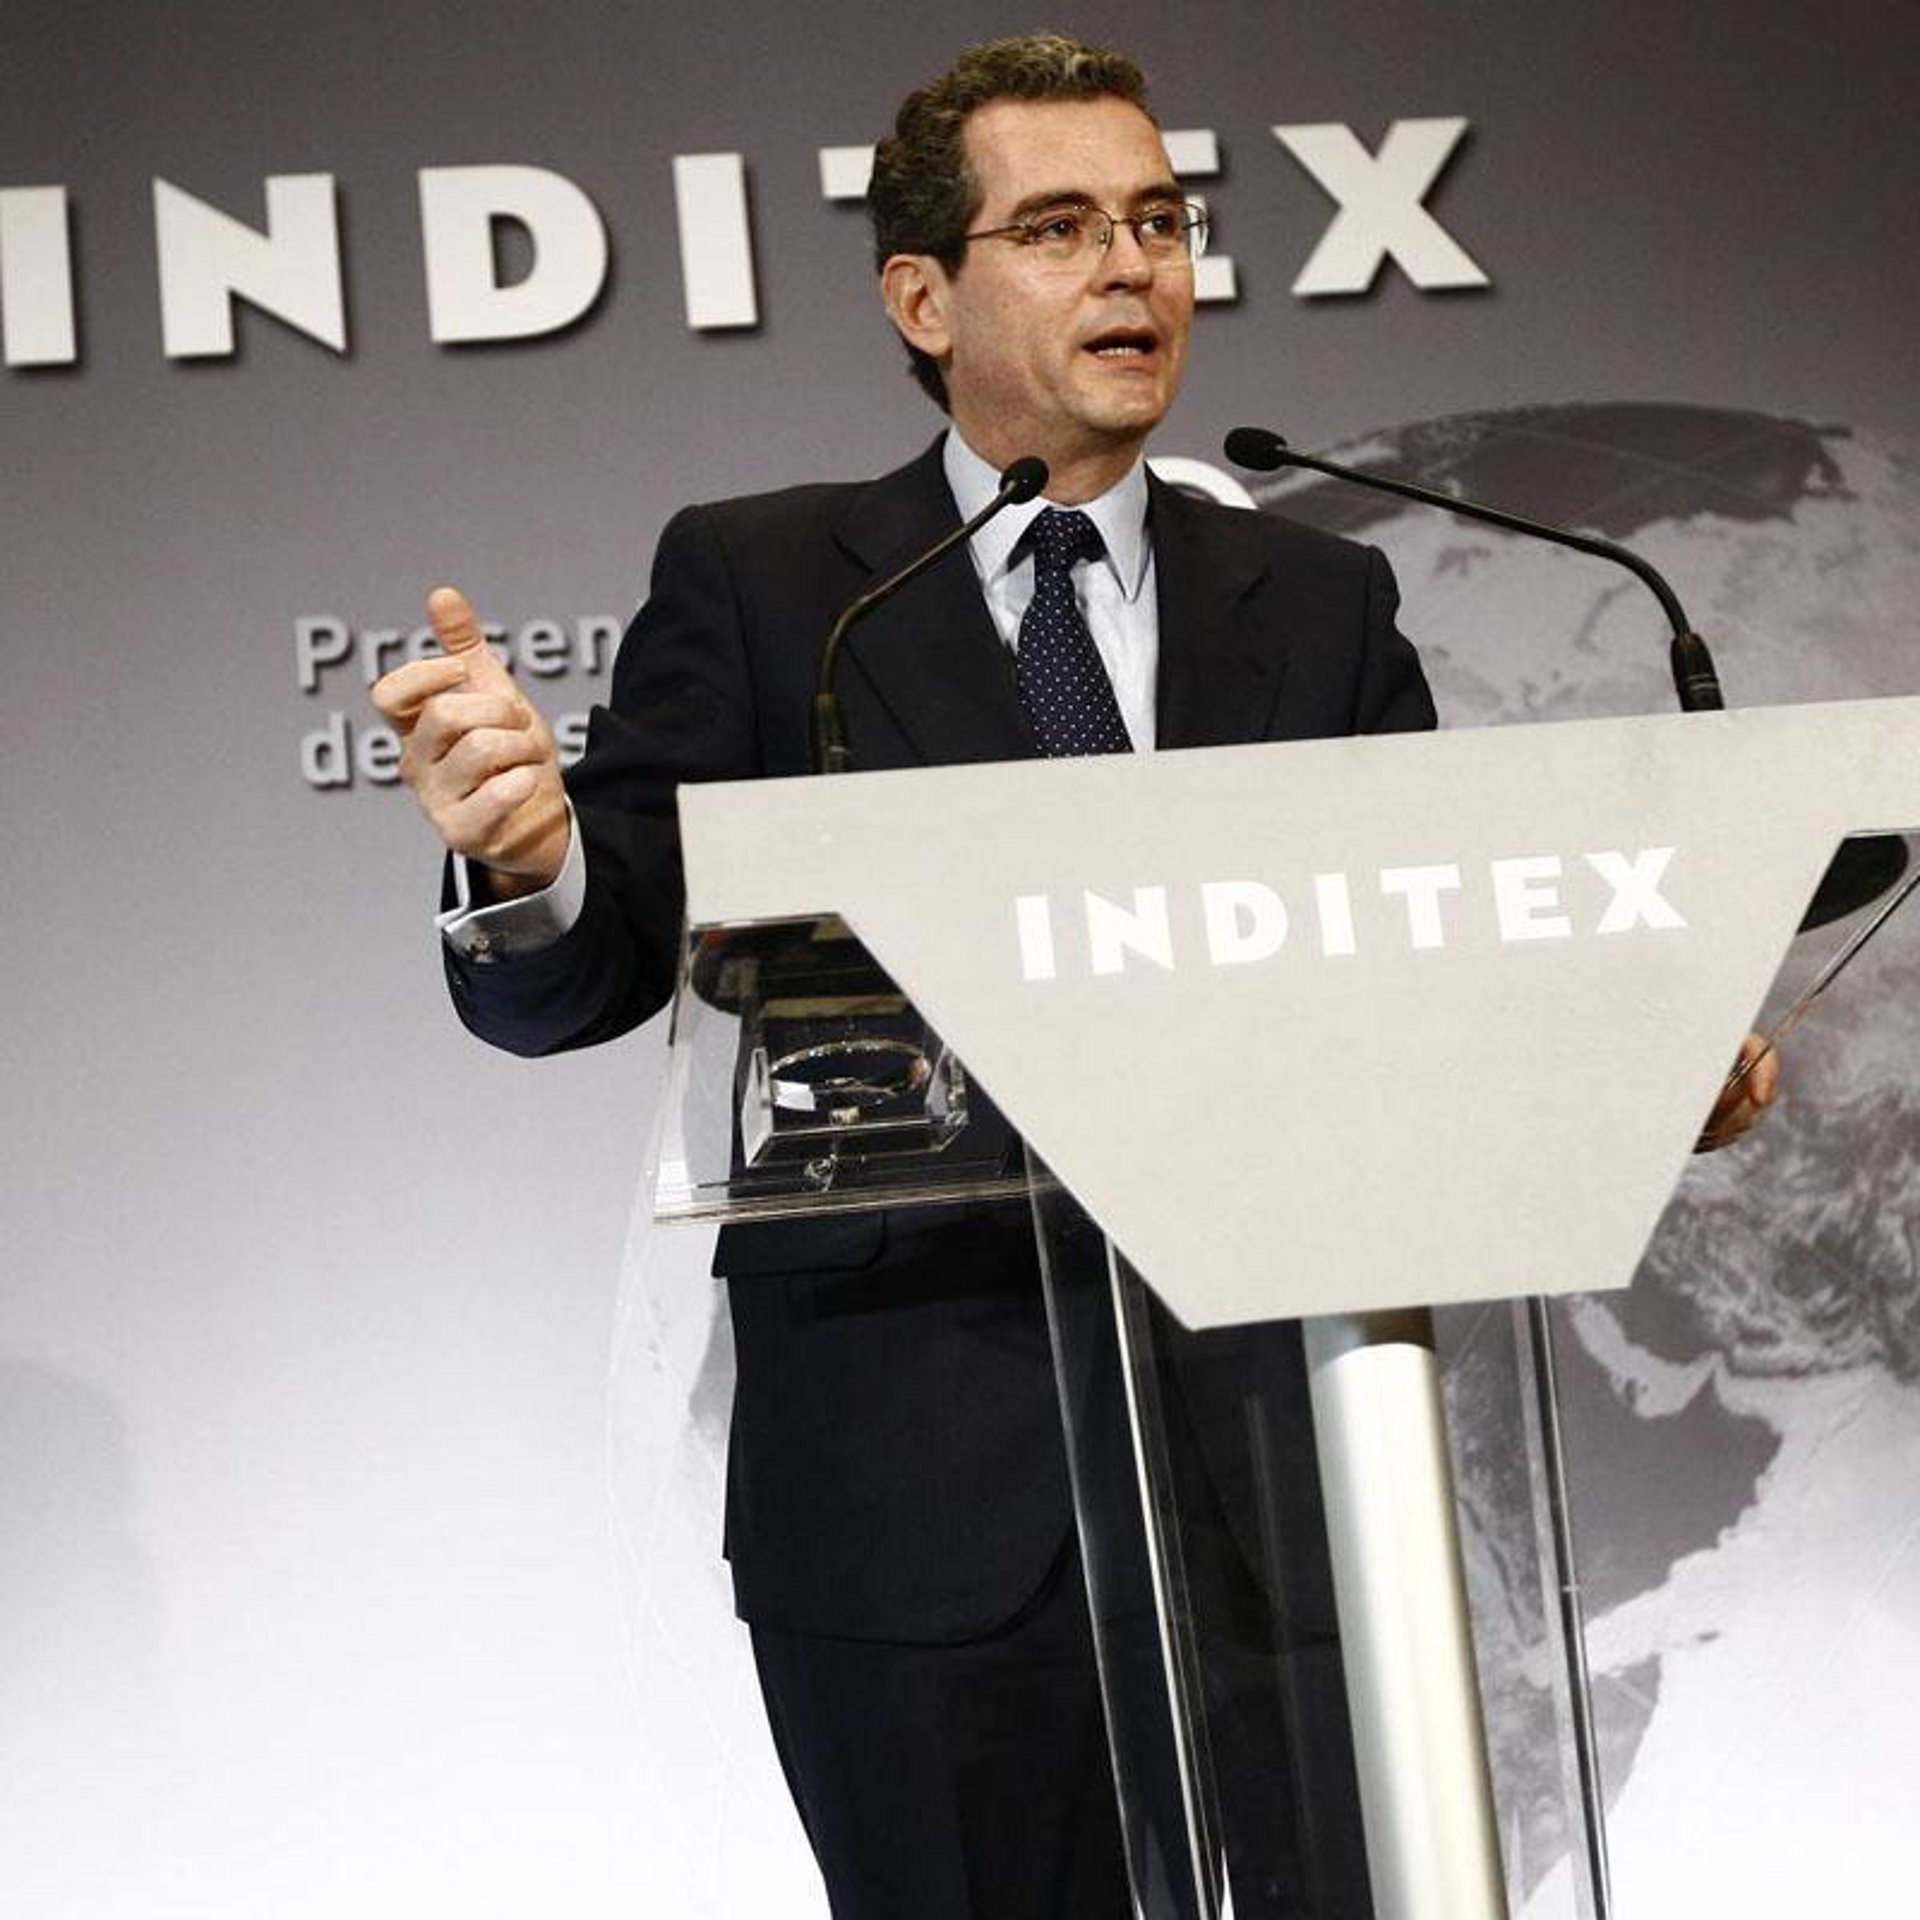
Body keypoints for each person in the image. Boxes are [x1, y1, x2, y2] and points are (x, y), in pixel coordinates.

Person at [373, 33, 1776, 1917]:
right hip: (919, 1514)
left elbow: (1424, 960)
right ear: (923, 299)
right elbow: (586, 968)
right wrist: (527, 859)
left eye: (1159, 221)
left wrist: (1629, 1066)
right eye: (1059, 228)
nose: (1132, 265)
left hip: (1290, 1492)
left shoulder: (1318, 602)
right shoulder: (772, 588)